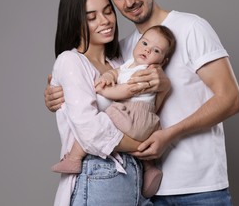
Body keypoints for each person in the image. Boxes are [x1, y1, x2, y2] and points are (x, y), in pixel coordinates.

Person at [45, 0, 239, 205]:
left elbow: (231, 99)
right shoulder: (124, 52)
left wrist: (169, 135)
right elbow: (83, 90)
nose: (128, 1)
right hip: (144, 190)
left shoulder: (191, 27)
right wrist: (54, 92)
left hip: (198, 185)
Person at [50, 0, 153, 206]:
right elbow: (91, 130)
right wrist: (143, 147)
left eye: (108, 11)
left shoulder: (119, 63)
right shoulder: (70, 61)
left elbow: (143, 108)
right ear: (75, 23)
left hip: (134, 177)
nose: (105, 21)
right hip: (101, 175)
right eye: (91, 17)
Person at [51, 25, 176, 198]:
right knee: (102, 123)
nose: (147, 50)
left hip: (134, 117)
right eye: (145, 43)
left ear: (162, 60)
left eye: (155, 50)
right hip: (146, 124)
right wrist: (108, 77)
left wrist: (103, 91)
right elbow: (116, 72)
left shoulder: (147, 71)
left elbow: (127, 91)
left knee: (103, 119)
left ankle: (74, 158)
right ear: (137, 43)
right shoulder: (129, 64)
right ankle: (150, 168)